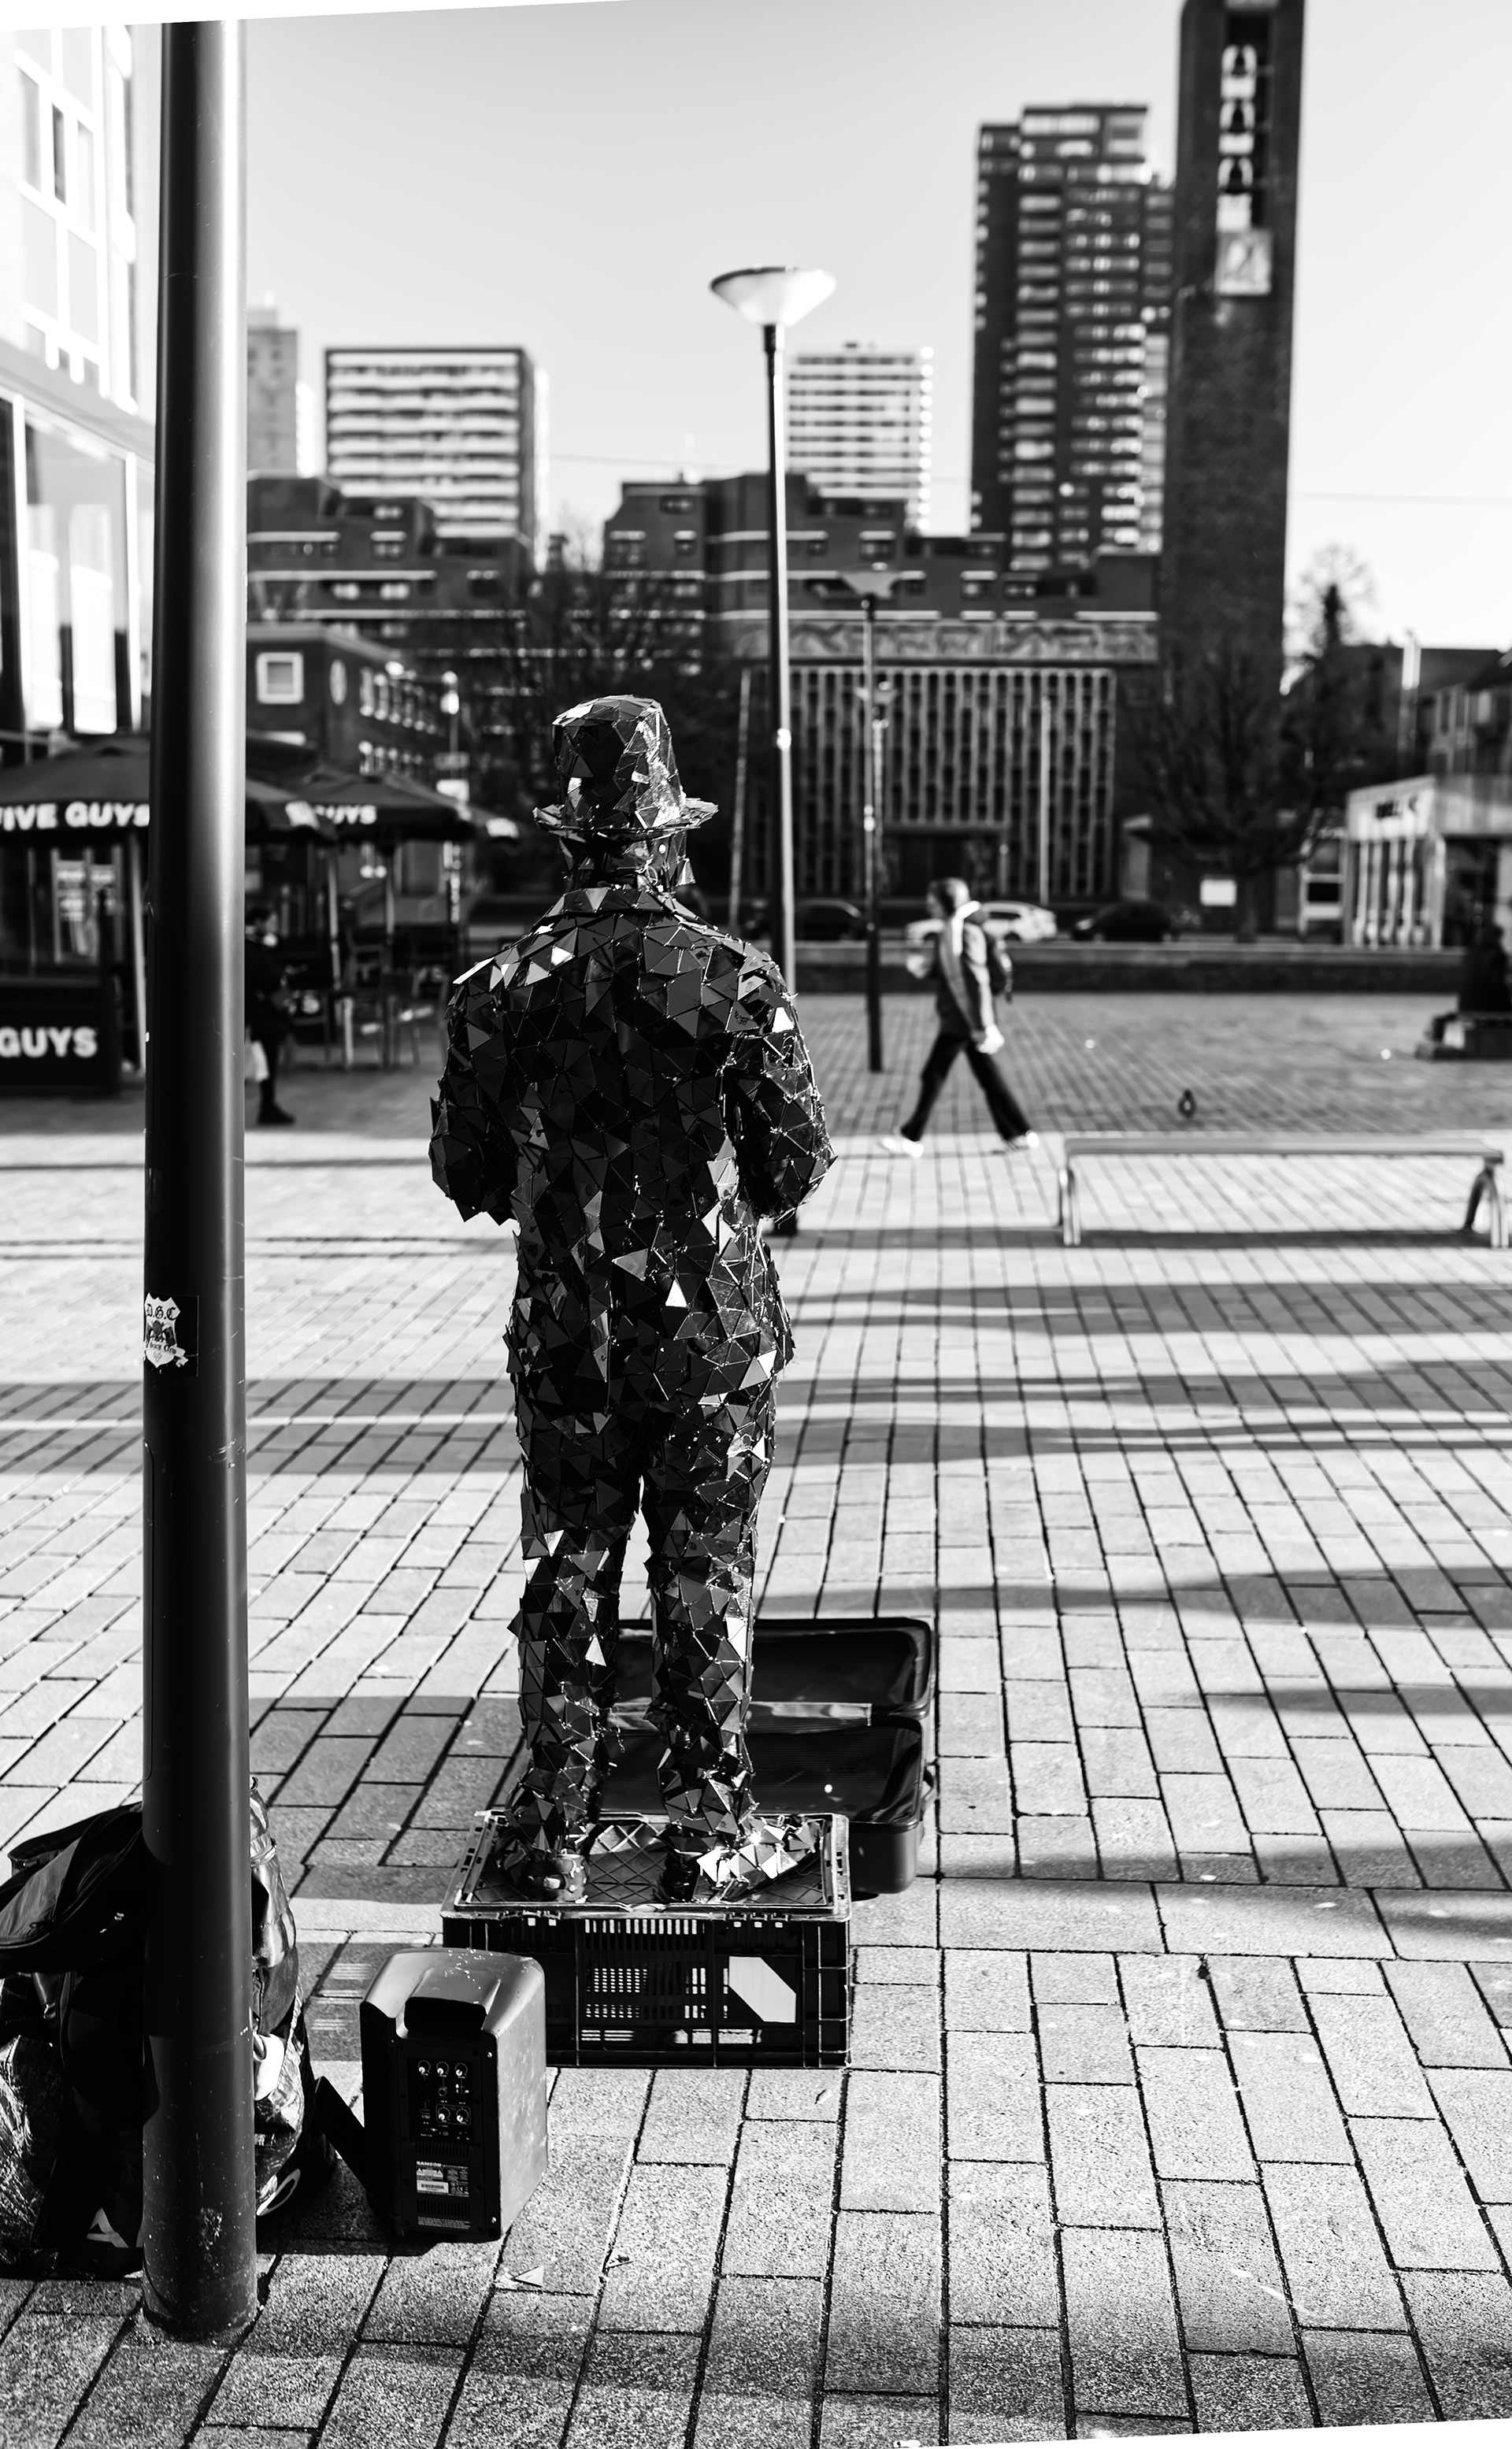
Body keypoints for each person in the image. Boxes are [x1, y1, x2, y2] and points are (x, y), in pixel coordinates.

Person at [429, 695, 833, 1905]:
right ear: (670, 838)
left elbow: (464, 1173)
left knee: (568, 1567)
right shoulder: (734, 980)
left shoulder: (496, 990)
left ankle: (551, 1832)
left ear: (567, 835)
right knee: (704, 1572)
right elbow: (795, 1165)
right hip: (708, 1340)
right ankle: (706, 1831)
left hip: (570, 1339)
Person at [882, 876, 1036, 1156]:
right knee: (987, 1076)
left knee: (934, 1074)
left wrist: (982, 1025)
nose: (929, 907)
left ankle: (910, 1137)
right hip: (963, 1018)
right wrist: (927, 968)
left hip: (963, 1020)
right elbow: (952, 972)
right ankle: (1019, 1133)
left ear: (948, 902)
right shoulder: (952, 930)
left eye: (933, 902)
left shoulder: (964, 932)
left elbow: (974, 979)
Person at [245, 905, 295, 1127]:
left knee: (269, 1060)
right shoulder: (249, 948)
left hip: (271, 1012)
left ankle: (269, 1104)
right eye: (271, 921)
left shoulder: (267, 947)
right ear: (258, 922)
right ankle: (267, 1106)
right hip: (261, 1015)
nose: (275, 926)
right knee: (263, 1061)